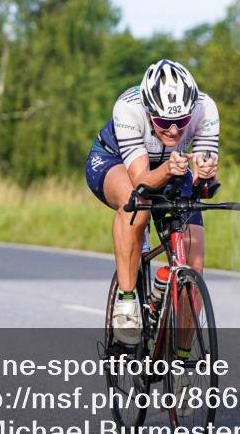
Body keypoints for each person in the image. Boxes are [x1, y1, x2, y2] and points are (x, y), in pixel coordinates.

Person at [85, 59, 219, 344]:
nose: (173, 131)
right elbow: (141, 181)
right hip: (116, 162)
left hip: (173, 166)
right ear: (148, 112)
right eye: (163, 122)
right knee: (136, 206)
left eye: (182, 122)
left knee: (194, 261)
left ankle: (181, 364)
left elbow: (204, 180)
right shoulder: (128, 107)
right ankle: (126, 300)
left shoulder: (206, 108)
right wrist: (170, 169)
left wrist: (205, 176)